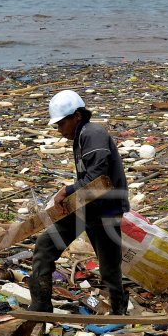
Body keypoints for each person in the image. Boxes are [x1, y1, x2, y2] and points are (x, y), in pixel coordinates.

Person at [28, 90, 130, 316]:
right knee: (45, 247)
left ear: (77, 116)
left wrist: (68, 190)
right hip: (85, 207)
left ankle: (119, 310)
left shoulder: (93, 133)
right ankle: (41, 305)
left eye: (62, 124)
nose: (60, 130)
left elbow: (98, 178)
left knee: (109, 267)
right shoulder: (82, 135)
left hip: (105, 209)